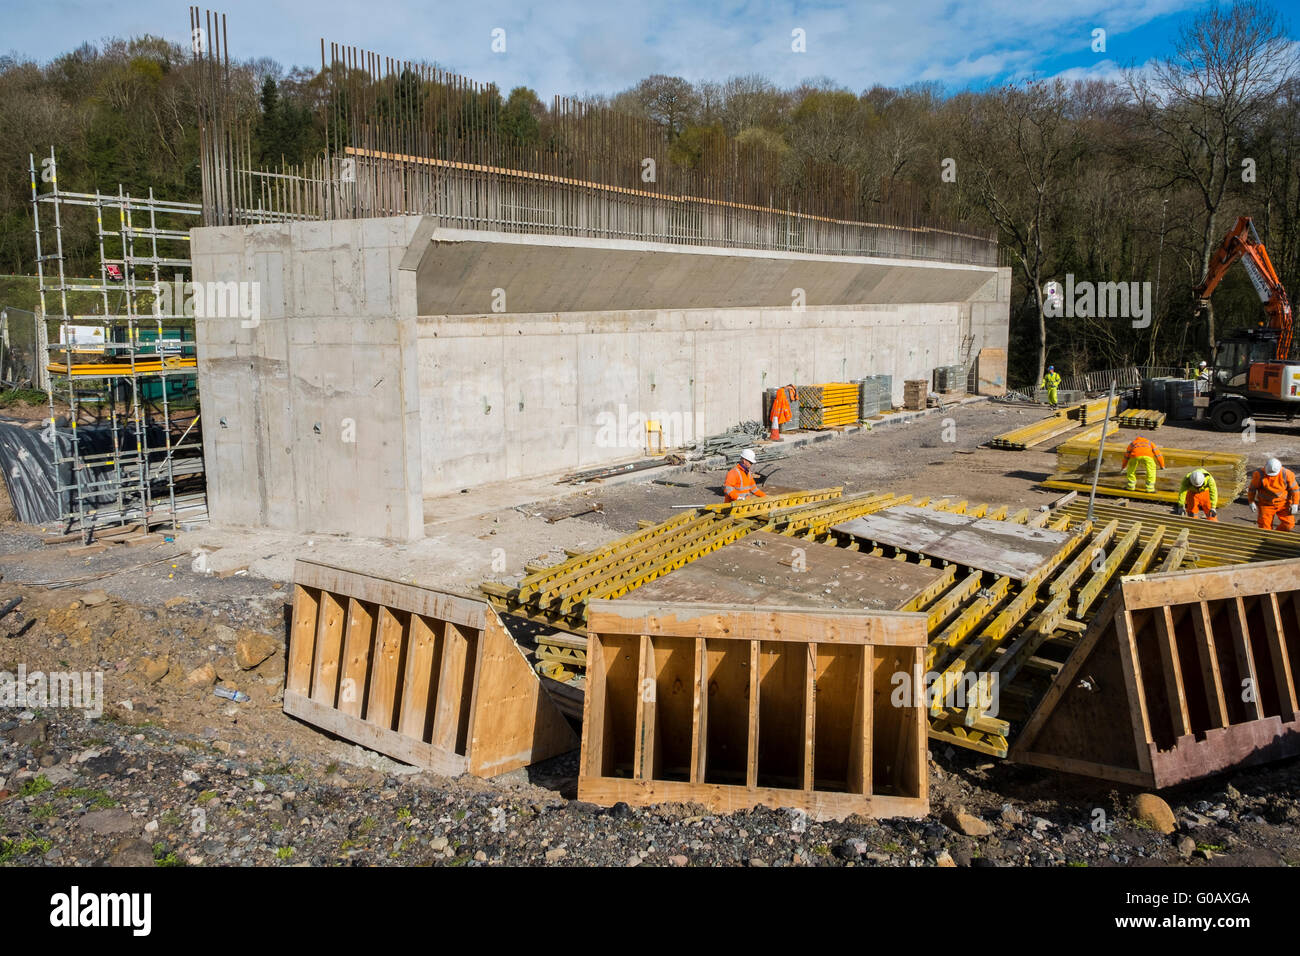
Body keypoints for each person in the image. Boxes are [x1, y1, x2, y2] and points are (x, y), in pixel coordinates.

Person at [1248, 457, 1300, 531]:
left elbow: (1295, 490)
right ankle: (1267, 539)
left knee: (1288, 525)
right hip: (1266, 505)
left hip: (1284, 504)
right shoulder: (1259, 475)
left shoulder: (1287, 474)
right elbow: (1252, 489)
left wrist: (1295, 504)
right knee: (1265, 528)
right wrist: (1251, 501)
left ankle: (1276, 535)